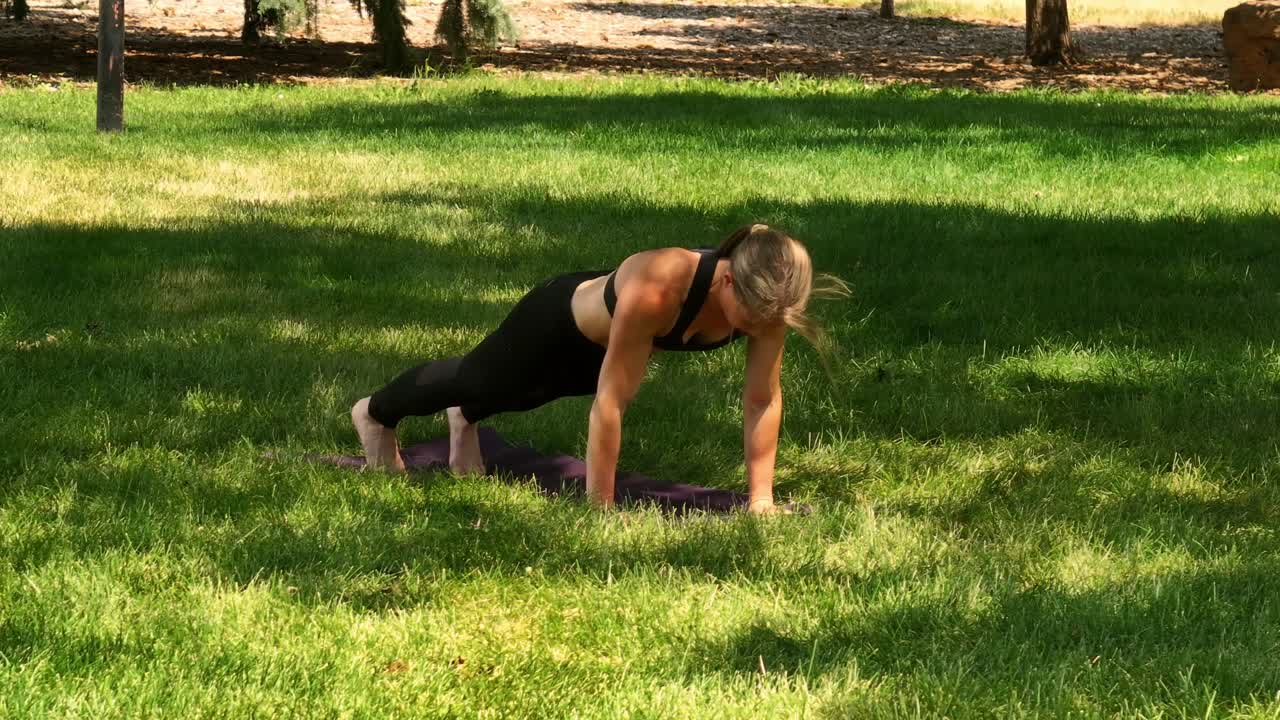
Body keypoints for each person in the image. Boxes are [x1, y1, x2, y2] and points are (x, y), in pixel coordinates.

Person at [350, 224, 844, 514]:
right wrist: (600, 508)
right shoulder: (659, 287)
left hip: (601, 349)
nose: (761, 329)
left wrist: (761, 500)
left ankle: (465, 420)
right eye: (754, 317)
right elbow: (612, 402)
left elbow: (762, 398)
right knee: (479, 378)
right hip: (553, 322)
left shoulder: (768, 304)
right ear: (728, 281)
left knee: (527, 394)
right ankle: (375, 414)